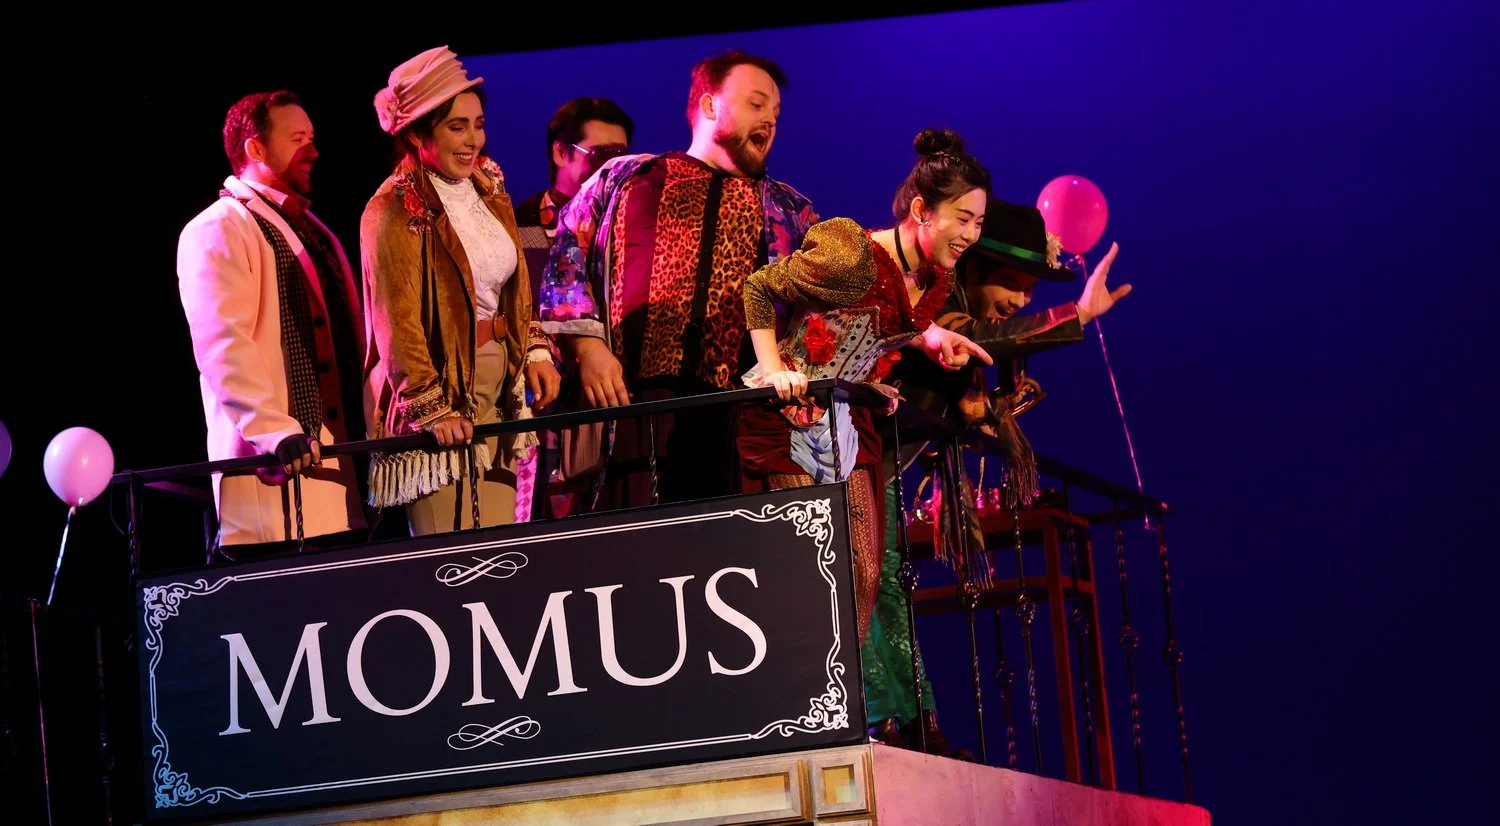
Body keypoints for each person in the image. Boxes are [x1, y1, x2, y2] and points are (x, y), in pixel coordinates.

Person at [864, 199, 1131, 755]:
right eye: (1013, 284)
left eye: (1031, 291)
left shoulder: (962, 315)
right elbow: (983, 338)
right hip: (853, 461)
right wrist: (1077, 315)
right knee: (866, 582)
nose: (1022, 301)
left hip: (882, 468)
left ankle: (917, 720)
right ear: (976, 269)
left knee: (887, 583)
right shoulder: (936, 304)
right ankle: (883, 716)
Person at [733, 128, 994, 643]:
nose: (970, 234)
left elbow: (890, 313)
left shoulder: (935, 275)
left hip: (847, 423)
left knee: (862, 573)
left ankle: (840, 691)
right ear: (921, 211)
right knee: (806, 568)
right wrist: (773, 369)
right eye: (962, 218)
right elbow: (758, 287)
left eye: (978, 223)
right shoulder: (852, 257)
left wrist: (928, 338)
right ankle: (798, 686)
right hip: (788, 418)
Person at [538, 49, 820, 513]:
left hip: (734, 417)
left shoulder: (789, 211)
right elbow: (565, 256)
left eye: (775, 110)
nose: (769, 119)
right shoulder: (627, 177)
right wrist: (587, 349)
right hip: (628, 405)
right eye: (755, 104)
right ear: (709, 105)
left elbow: (845, 282)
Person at [360, 46, 561, 536]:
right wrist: (431, 406)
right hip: (446, 391)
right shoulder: (394, 209)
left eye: (479, 124)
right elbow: (396, 322)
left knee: (499, 547)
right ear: (417, 134)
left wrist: (534, 349)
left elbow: (512, 284)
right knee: (452, 555)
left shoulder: (487, 187)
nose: (474, 140)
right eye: (457, 127)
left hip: (500, 383)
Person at [176, 89, 367, 555]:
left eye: (312, 138)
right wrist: (275, 431)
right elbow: (224, 347)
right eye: (298, 139)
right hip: (275, 477)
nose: (313, 151)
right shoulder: (218, 227)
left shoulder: (311, 228)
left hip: (340, 473)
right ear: (255, 149)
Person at [514, 96, 634, 519]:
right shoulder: (516, 226)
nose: (612, 167)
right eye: (601, 154)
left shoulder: (629, 230)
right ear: (560, 152)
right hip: (537, 408)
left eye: (622, 156)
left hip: (606, 405)